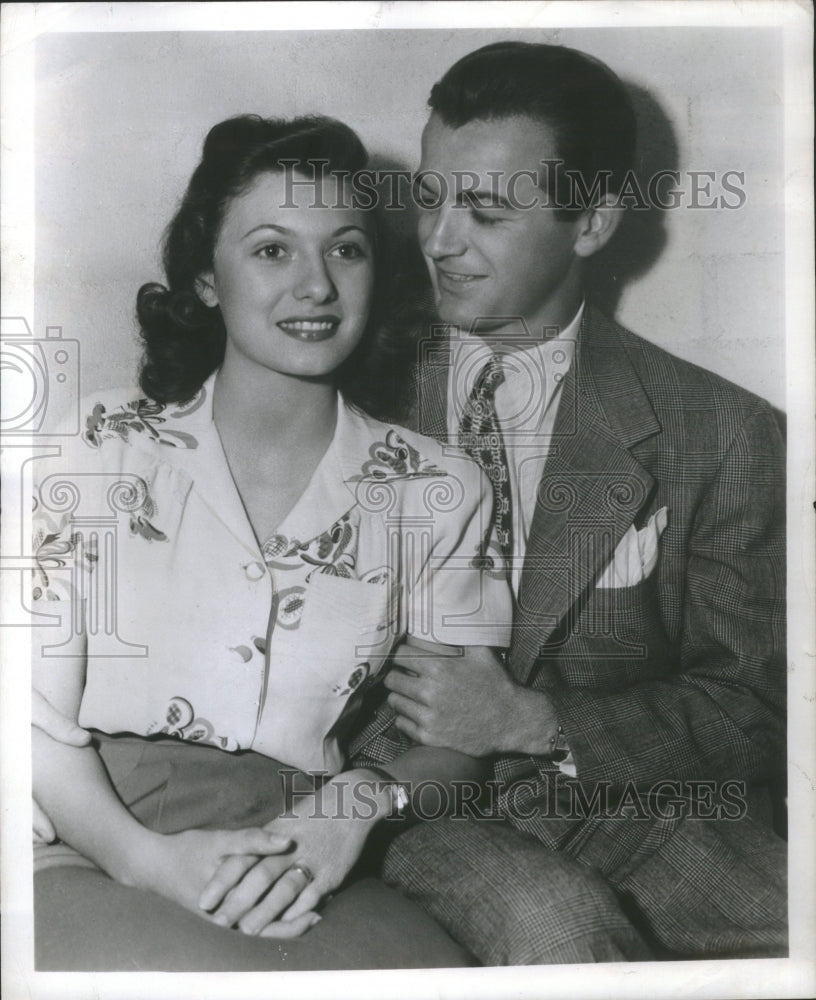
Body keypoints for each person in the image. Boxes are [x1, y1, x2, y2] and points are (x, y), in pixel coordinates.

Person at [30, 112, 521, 971]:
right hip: (94, 838)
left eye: (346, 249)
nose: (316, 286)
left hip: (302, 854)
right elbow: (25, 724)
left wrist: (357, 805)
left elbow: (460, 739)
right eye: (271, 250)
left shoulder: (439, 488)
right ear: (207, 280)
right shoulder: (98, 442)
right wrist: (147, 861)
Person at [373, 41, 788, 964]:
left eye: (483, 210)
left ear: (592, 221)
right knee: (557, 928)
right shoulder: (350, 383)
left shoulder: (723, 431)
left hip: (633, 805)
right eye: (431, 198)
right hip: (415, 810)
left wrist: (536, 724)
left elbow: (760, 705)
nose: (439, 239)